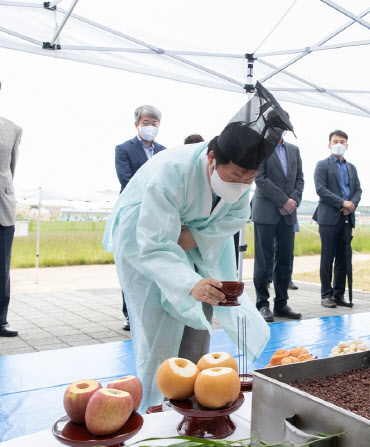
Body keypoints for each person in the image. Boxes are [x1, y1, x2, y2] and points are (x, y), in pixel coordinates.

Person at [103, 83, 291, 410]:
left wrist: (192, 239)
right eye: (234, 175)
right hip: (142, 235)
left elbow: (231, 221)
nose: (240, 185)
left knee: (204, 301)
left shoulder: (241, 182)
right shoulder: (170, 172)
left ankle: (192, 394)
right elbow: (157, 243)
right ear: (212, 157)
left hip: (194, 236)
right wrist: (188, 278)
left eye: (249, 179)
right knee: (157, 317)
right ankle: (156, 406)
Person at [115, 105, 167, 331]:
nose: (150, 127)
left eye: (154, 124)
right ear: (137, 124)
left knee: (154, 261)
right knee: (131, 263)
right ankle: (130, 314)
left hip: (158, 213)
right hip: (133, 212)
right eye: (146, 123)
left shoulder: (164, 151)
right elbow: (126, 180)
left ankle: (153, 310)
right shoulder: (123, 149)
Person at [252, 129, 304, 322]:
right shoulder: (260, 147)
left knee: (284, 260)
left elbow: (300, 179)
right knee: (263, 260)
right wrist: (283, 201)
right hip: (266, 211)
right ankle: (262, 304)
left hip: (288, 214)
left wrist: (292, 202)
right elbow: (260, 178)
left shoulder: (294, 150)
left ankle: (281, 304)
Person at [313, 130, 362, 308]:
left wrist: (352, 204)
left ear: (347, 145)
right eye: (335, 141)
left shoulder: (351, 167)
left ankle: (338, 294)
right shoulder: (322, 165)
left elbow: (358, 190)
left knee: (343, 257)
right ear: (329, 144)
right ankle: (326, 294)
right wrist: (342, 203)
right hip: (328, 217)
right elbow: (321, 189)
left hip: (347, 218)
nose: (339, 144)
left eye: (342, 141)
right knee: (328, 257)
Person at [0, 81, 21, 338]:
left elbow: (11, 169)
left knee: (2, 266)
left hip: (2, 206)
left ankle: (1, 320)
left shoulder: (12, 129)